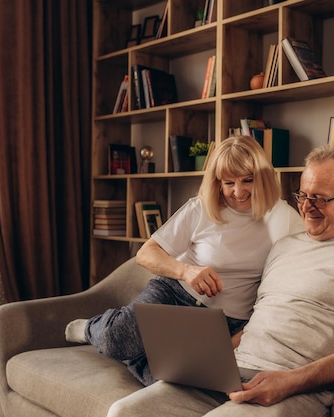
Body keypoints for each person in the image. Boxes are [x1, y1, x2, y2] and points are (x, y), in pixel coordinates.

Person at [106, 144, 334, 417]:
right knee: (125, 411)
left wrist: (289, 382)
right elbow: (258, 322)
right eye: (303, 196)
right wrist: (208, 361)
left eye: (320, 198)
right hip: (233, 371)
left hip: (293, 385)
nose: (307, 207)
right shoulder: (283, 246)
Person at [65, 135, 304, 386]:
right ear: (218, 182)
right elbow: (146, 253)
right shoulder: (200, 208)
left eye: (248, 180)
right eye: (228, 182)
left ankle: (141, 354)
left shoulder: (284, 217)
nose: (238, 191)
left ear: (263, 177)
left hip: (228, 320)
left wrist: (249, 331)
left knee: (170, 380)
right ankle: (93, 328)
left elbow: (309, 260)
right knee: (116, 340)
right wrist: (186, 271)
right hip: (174, 296)